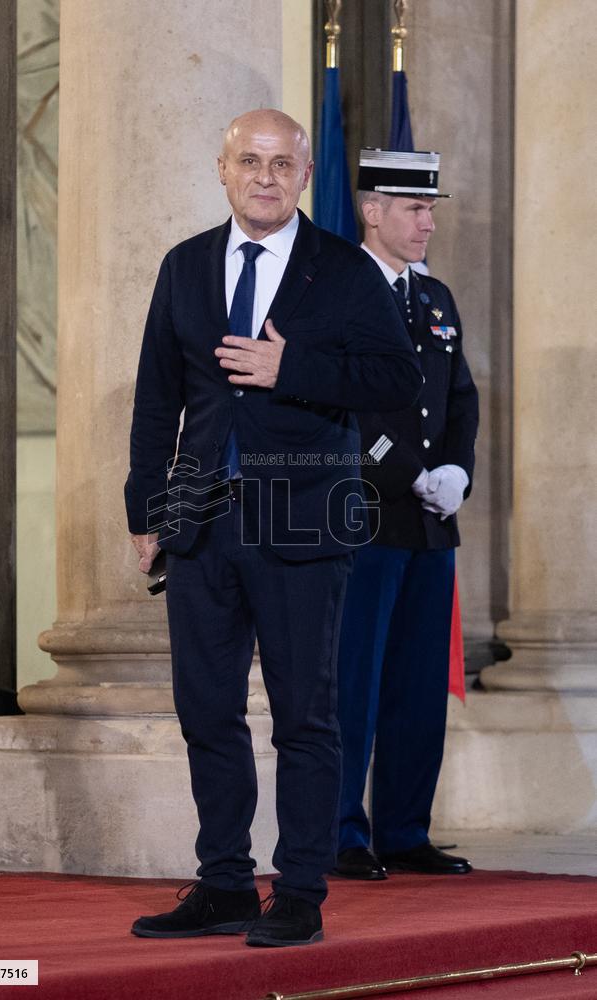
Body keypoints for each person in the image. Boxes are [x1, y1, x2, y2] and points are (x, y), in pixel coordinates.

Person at [124, 113, 422, 946]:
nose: (265, 176)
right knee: (206, 711)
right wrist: (146, 511)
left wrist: (294, 368)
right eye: (249, 161)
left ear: (304, 176)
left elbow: (398, 380)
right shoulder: (185, 265)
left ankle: (297, 893)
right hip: (200, 525)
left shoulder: (344, 269)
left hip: (304, 522)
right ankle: (223, 885)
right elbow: (156, 399)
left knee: (304, 718)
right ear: (222, 170)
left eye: (282, 163)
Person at [334, 149, 479, 882]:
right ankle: (339, 834)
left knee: (420, 684)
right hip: (366, 515)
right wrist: (407, 472)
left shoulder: (436, 297)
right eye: (415, 209)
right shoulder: (336, 292)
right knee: (353, 681)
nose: (428, 223)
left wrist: (456, 471)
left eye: (430, 210)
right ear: (372, 210)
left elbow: (460, 398)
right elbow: (341, 403)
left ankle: (403, 829)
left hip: (430, 522)